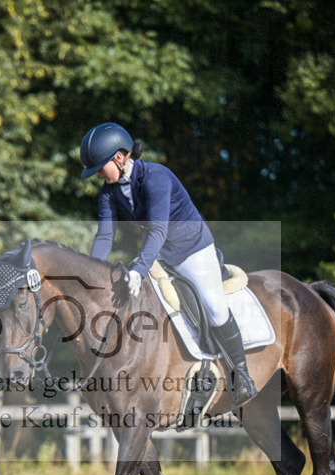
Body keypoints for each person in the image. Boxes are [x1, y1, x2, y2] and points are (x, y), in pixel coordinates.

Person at [79, 122, 257, 405]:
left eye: (100, 167)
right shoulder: (108, 192)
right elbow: (104, 236)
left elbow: (158, 230)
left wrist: (139, 269)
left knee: (214, 306)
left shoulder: (156, 177)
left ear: (119, 157)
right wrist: (88, 276)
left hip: (191, 249)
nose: (98, 174)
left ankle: (242, 375)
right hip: (158, 254)